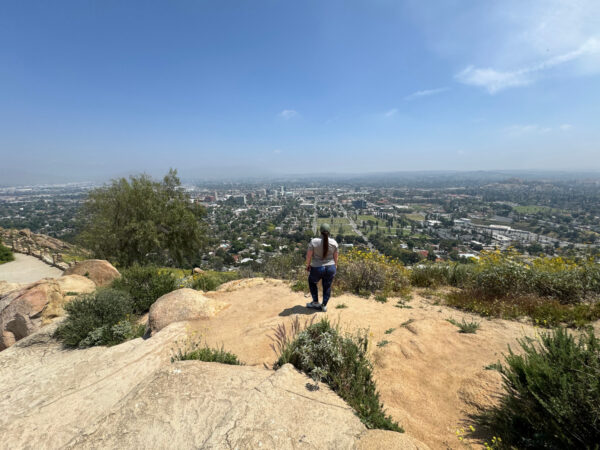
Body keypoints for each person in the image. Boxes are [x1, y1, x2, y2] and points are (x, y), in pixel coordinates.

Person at [305, 223, 338, 312]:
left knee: (312, 282)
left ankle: (315, 302)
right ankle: (324, 306)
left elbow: (308, 256)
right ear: (329, 232)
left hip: (317, 268)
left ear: (320, 231)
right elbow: (336, 257)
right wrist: (335, 266)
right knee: (327, 286)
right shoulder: (334, 243)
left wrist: (307, 265)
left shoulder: (314, 241)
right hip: (330, 268)